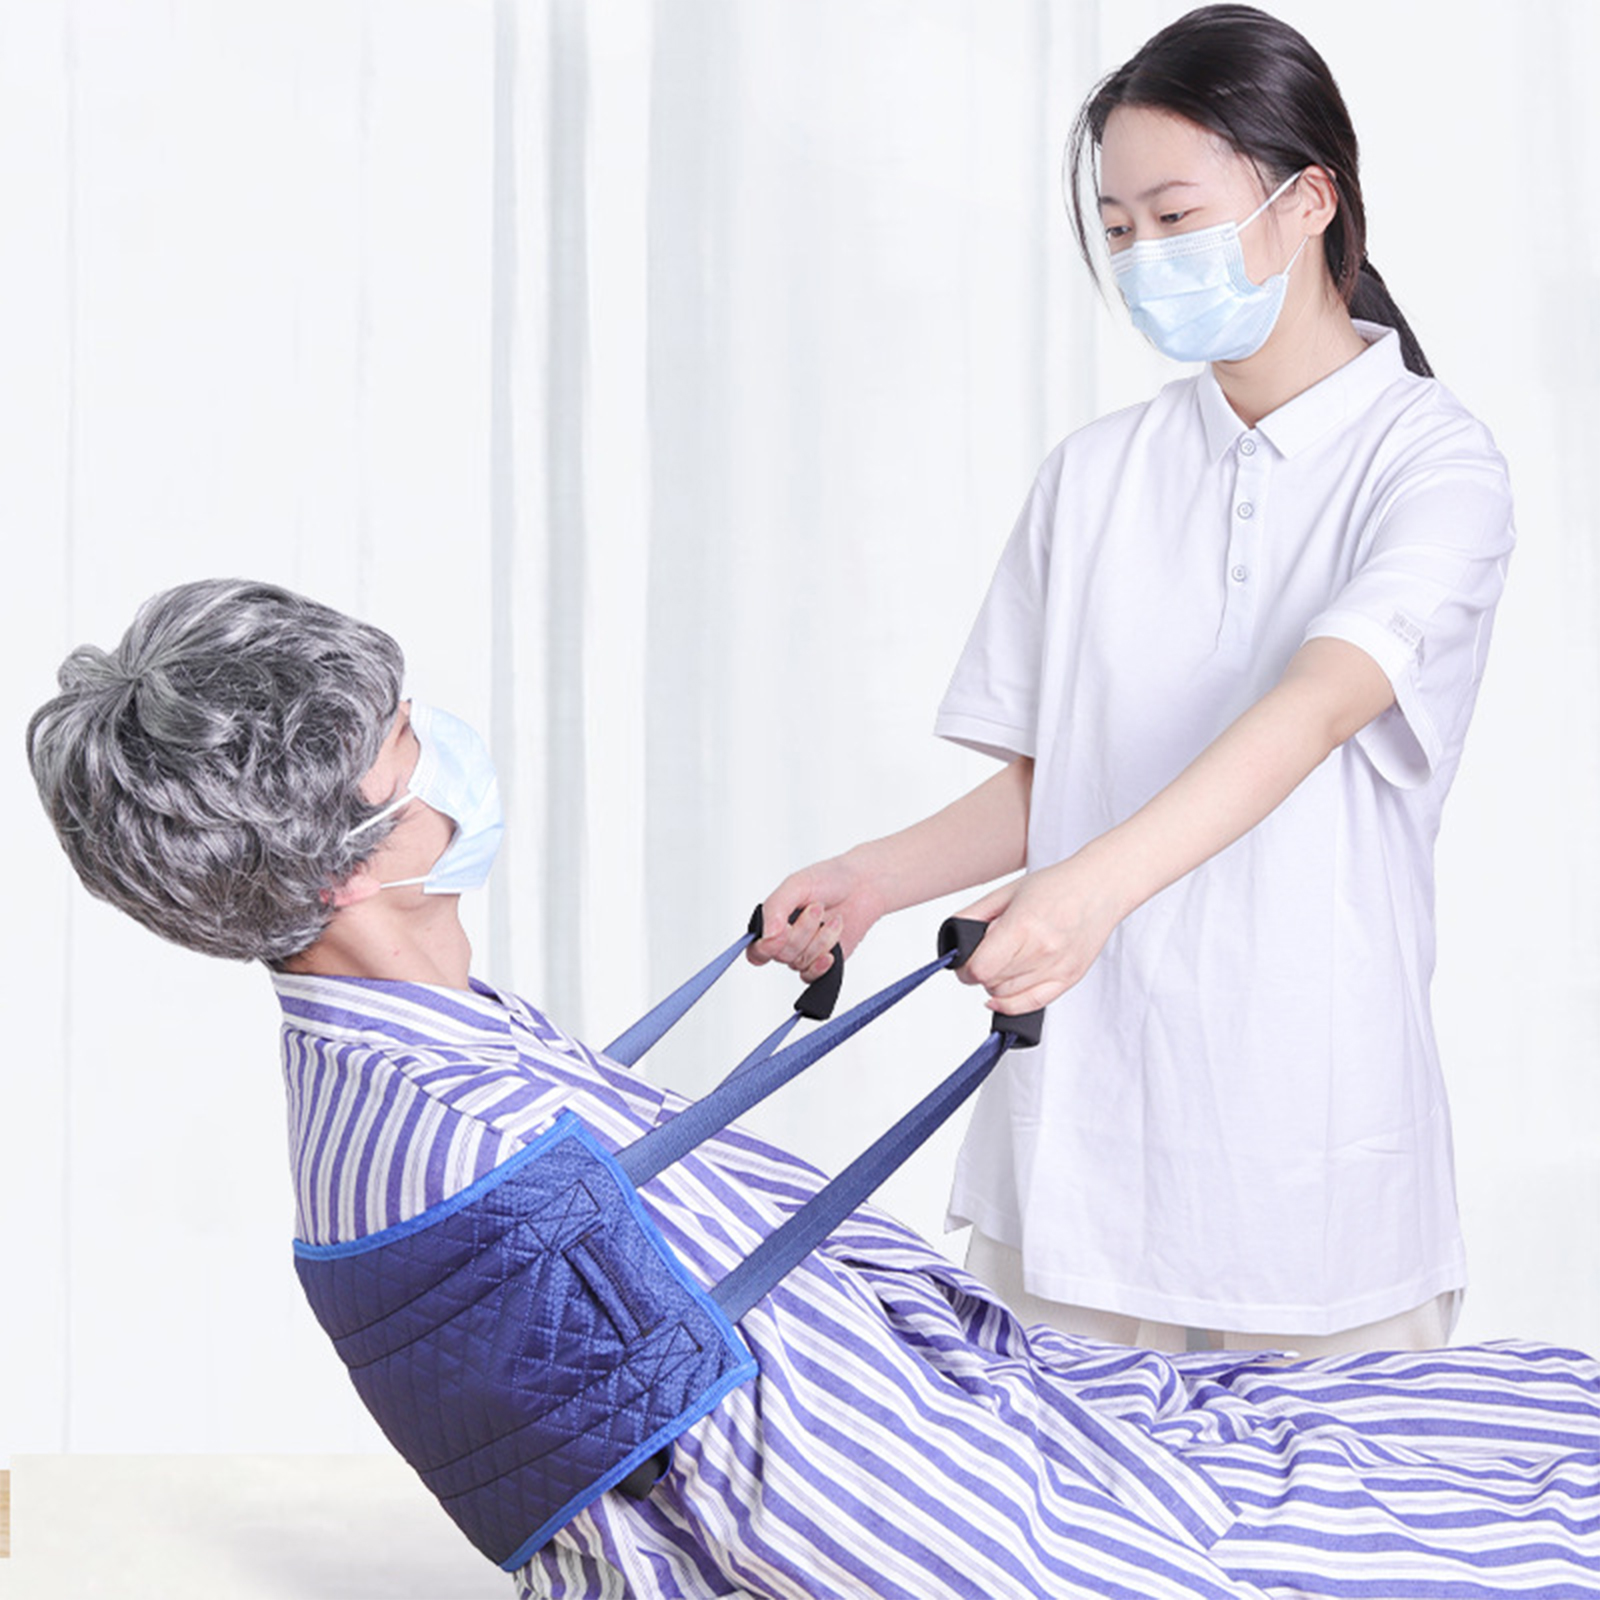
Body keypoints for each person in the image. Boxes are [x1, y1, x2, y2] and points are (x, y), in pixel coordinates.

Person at [28, 577, 1600, 1597]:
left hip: (1010, 1414)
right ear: (348, 865)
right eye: (404, 745)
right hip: (1014, 1505)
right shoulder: (483, 1159)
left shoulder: (423, 1049)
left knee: (1528, 1405)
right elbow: (886, 1530)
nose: (444, 743)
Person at [752, 4, 1514, 1358]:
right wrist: (874, 880)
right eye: (1118, 228)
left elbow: (1318, 706)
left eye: (1175, 217)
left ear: (1308, 202)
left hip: (1312, 1172)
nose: (1146, 256)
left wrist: (1086, 895)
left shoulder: (1434, 465)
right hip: (1075, 1159)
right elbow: (1064, 777)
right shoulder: (1097, 475)